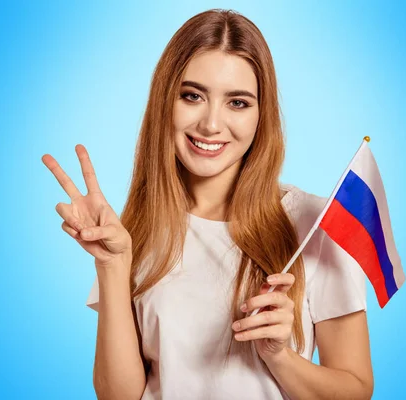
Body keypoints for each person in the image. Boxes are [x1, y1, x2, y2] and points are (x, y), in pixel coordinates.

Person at [42, 8, 373, 400]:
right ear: (166, 101)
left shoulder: (315, 225)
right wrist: (112, 266)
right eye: (192, 96)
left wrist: (279, 355)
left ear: (260, 115)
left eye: (237, 102)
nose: (211, 125)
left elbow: (355, 390)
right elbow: (118, 396)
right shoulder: (132, 230)